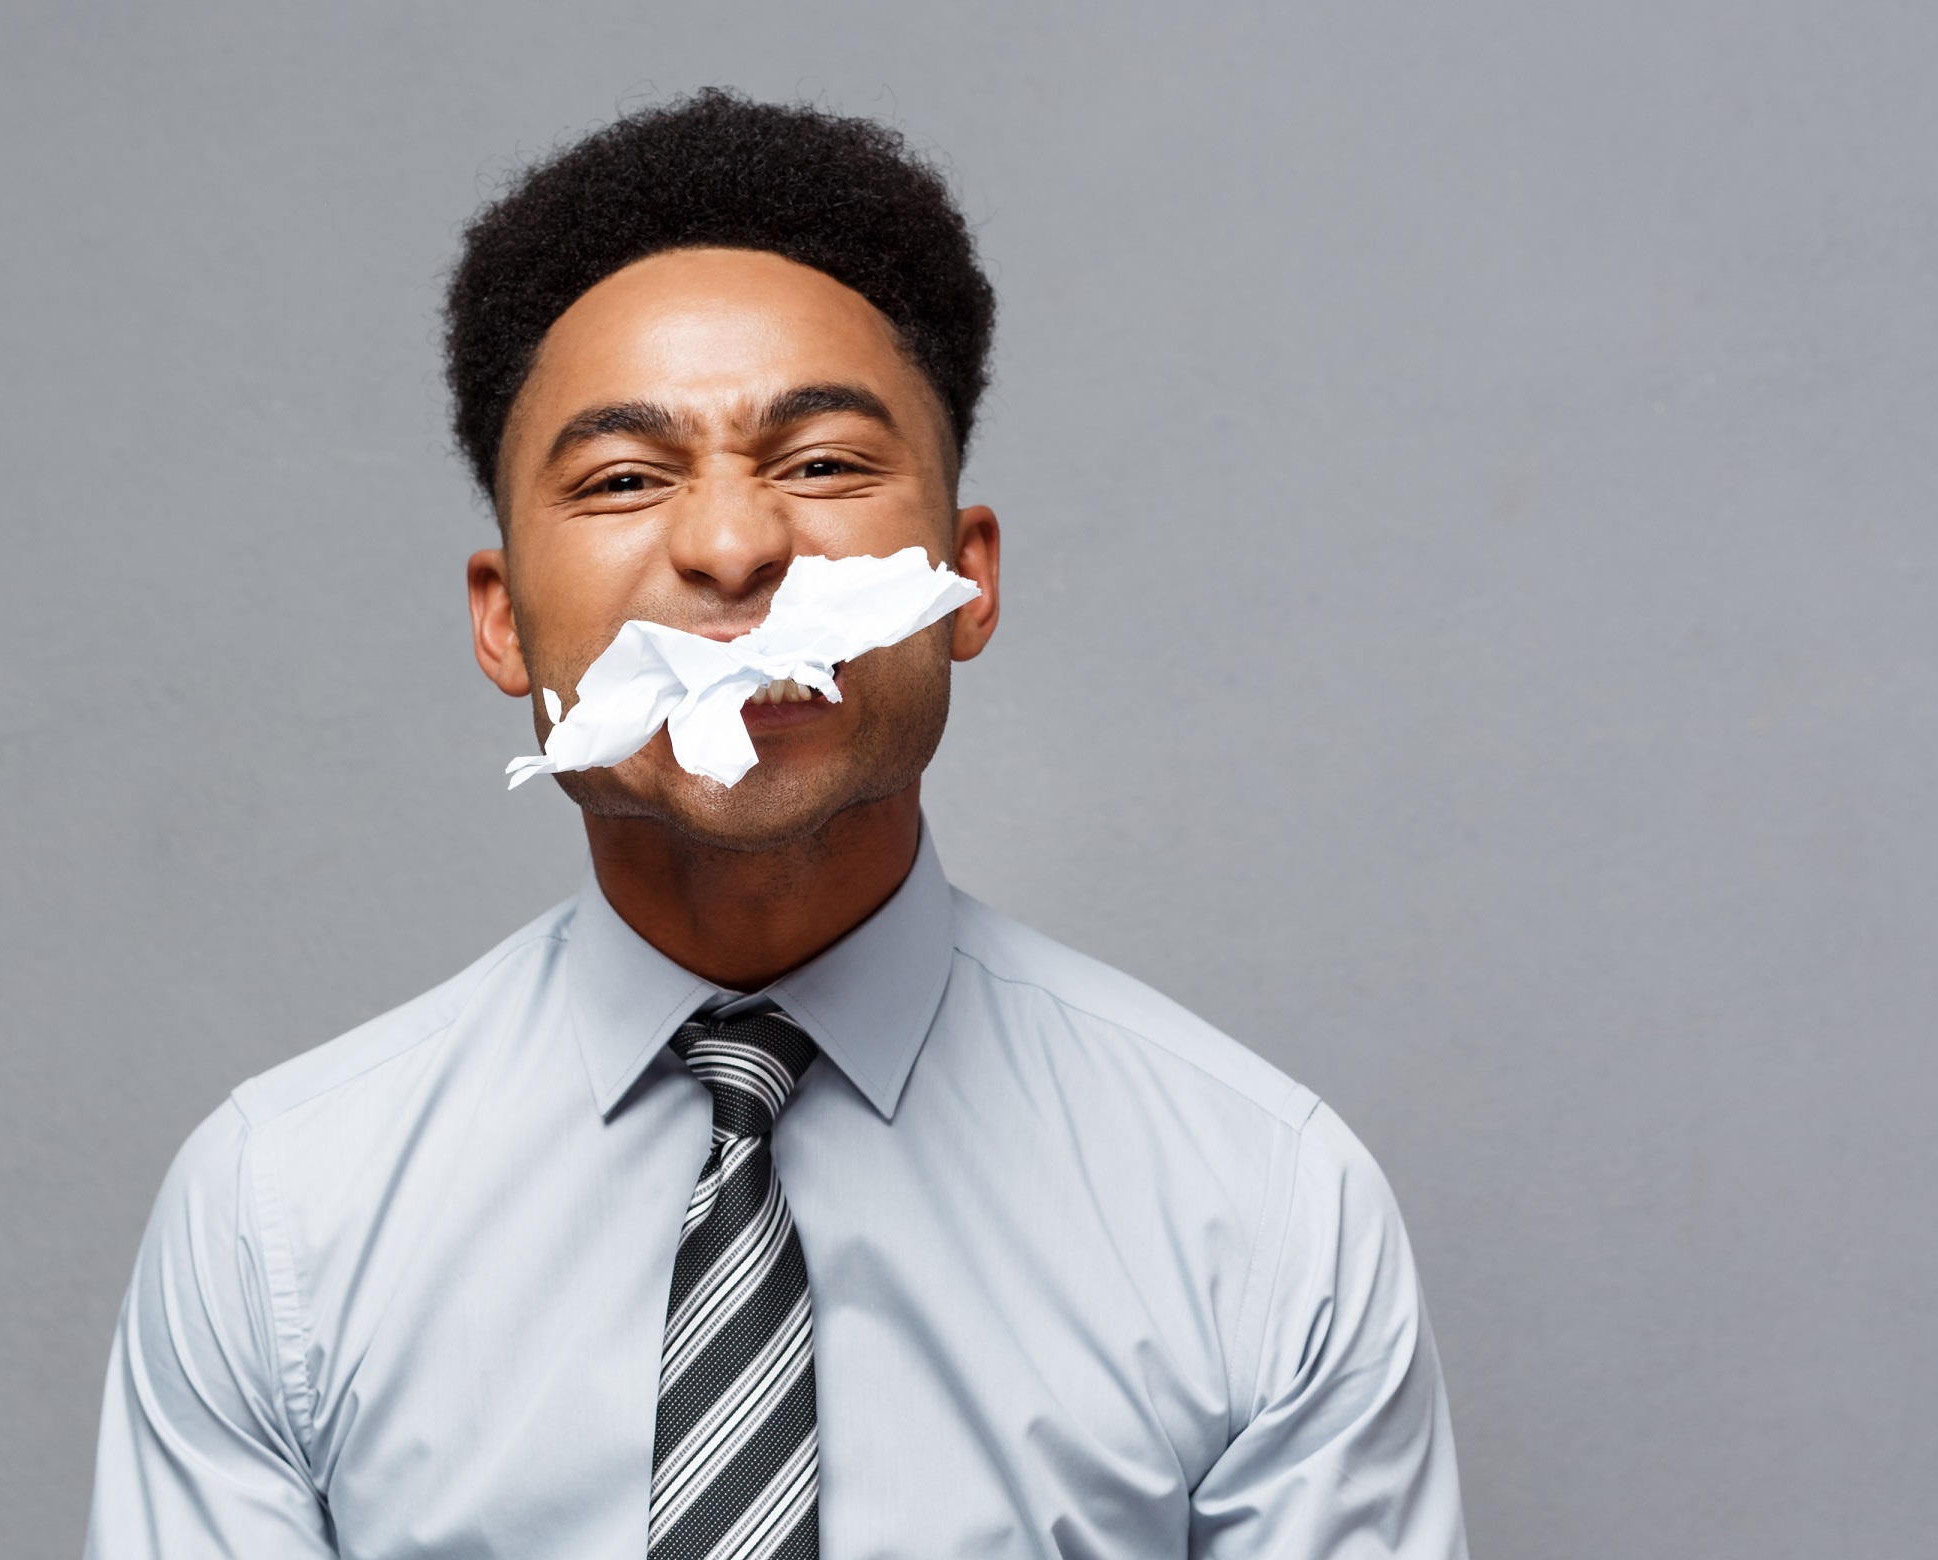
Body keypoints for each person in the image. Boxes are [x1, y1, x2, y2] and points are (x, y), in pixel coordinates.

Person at [83, 89, 1468, 1560]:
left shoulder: (1259, 1207)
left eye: (820, 465)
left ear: (967, 578)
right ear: (501, 623)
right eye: (623, 479)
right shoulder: (280, 1218)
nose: (735, 549)